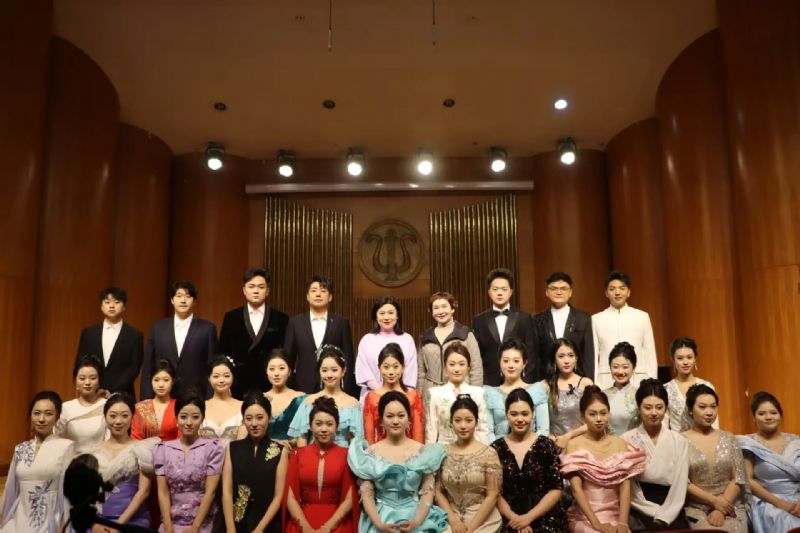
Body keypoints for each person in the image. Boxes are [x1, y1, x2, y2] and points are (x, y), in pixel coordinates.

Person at [348, 391, 448, 533]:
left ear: (409, 418)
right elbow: (367, 494)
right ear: (381, 420)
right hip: (380, 519)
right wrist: (379, 525)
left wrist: (417, 522)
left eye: (401, 416)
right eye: (390, 416)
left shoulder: (423, 452)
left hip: (416, 517)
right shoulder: (370, 453)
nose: (395, 421)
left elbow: (427, 492)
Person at [560, 385, 646, 533]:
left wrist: (623, 523)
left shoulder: (620, 443)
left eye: (603, 413)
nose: (599, 419)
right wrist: (596, 524)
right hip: (585, 518)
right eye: (592, 414)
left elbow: (625, 487)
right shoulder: (574, 444)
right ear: (582, 416)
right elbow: (576, 489)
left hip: (616, 516)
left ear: (609, 414)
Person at [491, 388, 568, 533]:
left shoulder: (546, 445)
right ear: (506, 414)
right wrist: (516, 520)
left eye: (525, 414)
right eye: (514, 414)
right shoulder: (495, 449)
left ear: (532, 414)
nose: (520, 419)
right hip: (509, 518)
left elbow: (556, 489)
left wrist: (529, 517)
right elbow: (494, 492)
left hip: (546, 517)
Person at [0, 391, 74, 533]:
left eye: (48, 414)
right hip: (19, 518)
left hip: (51, 520)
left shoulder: (67, 447)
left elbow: (69, 494)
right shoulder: (20, 449)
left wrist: (63, 527)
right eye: (36, 413)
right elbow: (10, 491)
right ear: (30, 415)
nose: (41, 419)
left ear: (57, 417)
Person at [622, 379, 690, 531]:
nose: (654, 413)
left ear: (666, 408)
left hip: (672, 504)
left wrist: (667, 513)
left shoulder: (679, 440)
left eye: (659, 407)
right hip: (638, 505)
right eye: (648, 407)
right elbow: (628, 486)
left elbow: (680, 484)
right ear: (639, 407)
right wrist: (652, 510)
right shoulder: (626, 439)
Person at [284, 396, 359, 533]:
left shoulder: (346, 455)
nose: (324, 429)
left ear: (337, 426)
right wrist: (305, 528)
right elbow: (290, 497)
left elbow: (350, 498)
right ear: (310, 426)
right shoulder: (297, 455)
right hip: (302, 522)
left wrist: (328, 528)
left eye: (329, 424)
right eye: (318, 424)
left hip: (337, 523)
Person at [154, 392, 225, 533]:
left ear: (202, 418)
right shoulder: (162, 449)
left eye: (195, 417)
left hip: (203, 522)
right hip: (171, 522)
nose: (189, 422)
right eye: (183, 417)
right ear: (176, 419)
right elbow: (163, 491)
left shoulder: (213, 448)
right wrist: (167, 524)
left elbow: (210, 491)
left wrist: (195, 527)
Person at [682, 384, 747, 531]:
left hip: (731, 505)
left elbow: (739, 478)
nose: (709, 412)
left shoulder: (729, 438)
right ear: (690, 410)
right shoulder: (680, 441)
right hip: (696, 508)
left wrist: (721, 508)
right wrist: (715, 502)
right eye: (702, 407)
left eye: (713, 407)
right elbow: (683, 482)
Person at [435, 394, 503, 533]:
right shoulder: (442, 452)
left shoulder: (489, 453)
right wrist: (453, 520)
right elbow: (438, 492)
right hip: (449, 517)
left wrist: (470, 529)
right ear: (451, 422)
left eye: (469, 420)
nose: (463, 426)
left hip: (482, 520)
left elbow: (492, 495)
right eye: (457, 420)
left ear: (476, 422)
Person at [221, 393, 287, 533]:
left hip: (267, 524)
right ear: (243, 420)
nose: (254, 424)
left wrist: (260, 529)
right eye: (249, 418)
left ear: (269, 417)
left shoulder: (280, 451)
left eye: (260, 417)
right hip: (236, 523)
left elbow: (278, 496)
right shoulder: (232, 448)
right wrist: (230, 528)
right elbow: (226, 491)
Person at [141, 281, 218, 399]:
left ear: (194, 301)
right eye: (179, 296)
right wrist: (146, 399)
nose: (183, 300)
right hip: (163, 397)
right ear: (172, 300)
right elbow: (148, 366)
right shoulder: (158, 328)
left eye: (188, 296)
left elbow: (212, 367)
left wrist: (210, 399)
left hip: (197, 398)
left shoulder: (207, 329)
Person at [220, 267, 289, 398]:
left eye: (261, 287)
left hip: (270, 382)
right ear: (244, 290)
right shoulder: (231, 317)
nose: (256, 291)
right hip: (239, 383)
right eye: (251, 286)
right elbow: (223, 352)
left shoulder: (281, 318)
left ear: (267, 291)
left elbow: (286, 353)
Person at [737, 391, 800, 533]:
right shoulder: (748, 443)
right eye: (761, 413)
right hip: (767, 502)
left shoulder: (796, 442)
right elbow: (748, 480)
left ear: (780, 416)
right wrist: (783, 505)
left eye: (773, 413)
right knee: (785, 520)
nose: (768, 417)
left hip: (797, 499)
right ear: (754, 418)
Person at [284, 275, 356, 397]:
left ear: (330, 297)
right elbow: (288, 358)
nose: (318, 294)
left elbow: (348, 358)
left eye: (323, 291)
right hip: (302, 386)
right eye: (314, 291)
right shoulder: (295, 323)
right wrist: (290, 388)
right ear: (307, 296)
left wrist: (346, 389)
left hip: (333, 386)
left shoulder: (341, 323)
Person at [91, 392, 154, 529]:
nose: (118, 421)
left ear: (133, 417)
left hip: (133, 521)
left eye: (124, 416)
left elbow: (144, 491)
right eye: (113, 416)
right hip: (99, 520)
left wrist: (119, 525)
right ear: (105, 417)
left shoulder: (142, 449)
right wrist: (94, 523)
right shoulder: (93, 452)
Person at [75, 286, 144, 399]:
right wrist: (96, 388)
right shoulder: (88, 333)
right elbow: (81, 363)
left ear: (124, 307)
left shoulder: (135, 335)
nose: (111, 306)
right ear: (101, 306)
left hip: (122, 395)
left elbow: (134, 369)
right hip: (91, 394)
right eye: (107, 302)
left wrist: (112, 391)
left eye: (116, 302)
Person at [591, 271, 656, 389]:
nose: (617, 292)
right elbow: (594, 356)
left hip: (638, 378)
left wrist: (652, 383)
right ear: (606, 293)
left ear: (628, 292)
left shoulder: (642, 317)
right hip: (606, 379)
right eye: (612, 289)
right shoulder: (596, 319)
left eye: (622, 288)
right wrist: (595, 384)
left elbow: (649, 353)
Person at [289, 346, 363, 447]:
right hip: (314, 453)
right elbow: (302, 438)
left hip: (343, 454)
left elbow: (356, 442)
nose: (329, 375)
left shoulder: (353, 404)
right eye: (324, 370)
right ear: (319, 371)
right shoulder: (308, 402)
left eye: (334, 370)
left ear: (343, 371)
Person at [472, 268, 535, 387]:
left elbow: (531, 352)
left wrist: (526, 381)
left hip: (519, 381)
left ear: (511, 292)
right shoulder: (479, 320)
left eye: (504, 289)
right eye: (495, 289)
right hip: (489, 383)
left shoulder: (524, 318)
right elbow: (477, 355)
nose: (499, 293)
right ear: (489, 292)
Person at [418, 291, 482, 404]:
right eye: (436, 308)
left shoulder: (465, 334)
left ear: (452, 308)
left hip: (461, 390)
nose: (440, 311)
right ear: (431, 312)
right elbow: (421, 372)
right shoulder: (425, 337)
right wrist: (420, 396)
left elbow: (476, 368)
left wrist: (475, 395)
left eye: (444, 306)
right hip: (431, 393)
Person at [533, 272, 595, 382]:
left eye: (563, 289)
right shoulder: (537, 319)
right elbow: (535, 355)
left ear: (570, 292)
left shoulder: (583, 318)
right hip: (546, 379)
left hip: (576, 379)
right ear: (547, 292)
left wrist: (588, 382)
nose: (559, 292)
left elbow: (588, 355)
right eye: (554, 289)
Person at [355, 296, 418, 402]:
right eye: (382, 313)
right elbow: (363, 370)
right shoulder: (367, 340)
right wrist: (381, 392)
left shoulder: (407, 339)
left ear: (397, 316)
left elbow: (411, 371)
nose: (387, 317)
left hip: (402, 396)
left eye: (391, 313)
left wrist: (399, 395)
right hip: (373, 396)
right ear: (376, 316)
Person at [426, 343, 492, 444]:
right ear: (445, 368)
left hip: (471, 449)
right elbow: (431, 431)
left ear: (468, 368)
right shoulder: (435, 394)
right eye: (452, 364)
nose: (457, 369)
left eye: (461, 364)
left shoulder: (478, 393)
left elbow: (482, 429)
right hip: (444, 449)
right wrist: (430, 452)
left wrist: (482, 451)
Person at [485, 338, 549, 439]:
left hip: (532, 446)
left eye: (516, 361)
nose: (511, 365)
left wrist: (531, 447)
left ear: (524, 364)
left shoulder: (537, 391)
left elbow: (543, 430)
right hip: (498, 447)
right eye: (506, 361)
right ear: (499, 363)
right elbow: (488, 432)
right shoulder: (490, 393)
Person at [363, 343, 424, 444]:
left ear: (403, 367)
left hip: (409, 451)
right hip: (380, 452)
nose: (391, 372)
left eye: (395, 367)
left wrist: (417, 453)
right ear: (379, 368)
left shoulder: (414, 396)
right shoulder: (371, 398)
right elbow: (369, 436)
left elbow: (418, 434)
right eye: (386, 367)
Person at [543, 339, 593, 450]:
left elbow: (594, 420)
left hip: (581, 446)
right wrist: (549, 438)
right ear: (554, 359)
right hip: (553, 446)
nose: (566, 361)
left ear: (576, 358)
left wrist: (568, 436)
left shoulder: (585, 383)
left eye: (570, 355)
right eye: (561, 356)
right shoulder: (545, 385)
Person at [55, 354, 107, 453]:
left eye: (93, 378)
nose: (87, 383)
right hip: (71, 460)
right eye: (82, 378)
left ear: (99, 381)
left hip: (101, 459)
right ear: (75, 381)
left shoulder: (107, 405)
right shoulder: (65, 408)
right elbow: (57, 439)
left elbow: (111, 441)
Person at [664, 337, 718, 432]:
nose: (685, 362)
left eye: (689, 357)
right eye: (680, 358)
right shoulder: (666, 389)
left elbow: (715, 422)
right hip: (677, 439)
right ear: (673, 360)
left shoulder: (707, 386)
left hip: (704, 438)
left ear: (695, 359)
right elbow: (664, 426)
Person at [262, 349, 306, 444]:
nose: (276, 374)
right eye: (272, 369)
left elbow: (306, 434)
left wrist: (293, 442)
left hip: (294, 450)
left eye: (281, 368)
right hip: (264, 450)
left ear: (289, 371)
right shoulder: (260, 399)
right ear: (266, 372)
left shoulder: (301, 398)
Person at [199, 356, 246, 443]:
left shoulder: (243, 406)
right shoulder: (200, 406)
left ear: (233, 377)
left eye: (226, 376)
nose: (221, 380)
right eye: (216, 376)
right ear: (209, 378)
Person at [132, 358, 180, 440]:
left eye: (166, 380)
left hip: (174, 448)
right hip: (144, 448)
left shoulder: (180, 407)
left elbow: (183, 438)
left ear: (173, 381)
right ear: (151, 381)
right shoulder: (140, 408)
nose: (161, 385)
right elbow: (135, 437)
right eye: (156, 380)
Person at [603, 342, 640, 436]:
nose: (620, 372)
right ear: (610, 367)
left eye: (625, 367)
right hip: (608, 444)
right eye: (615, 367)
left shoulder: (640, 395)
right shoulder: (602, 395)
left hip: (634, 444)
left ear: (634, 367)